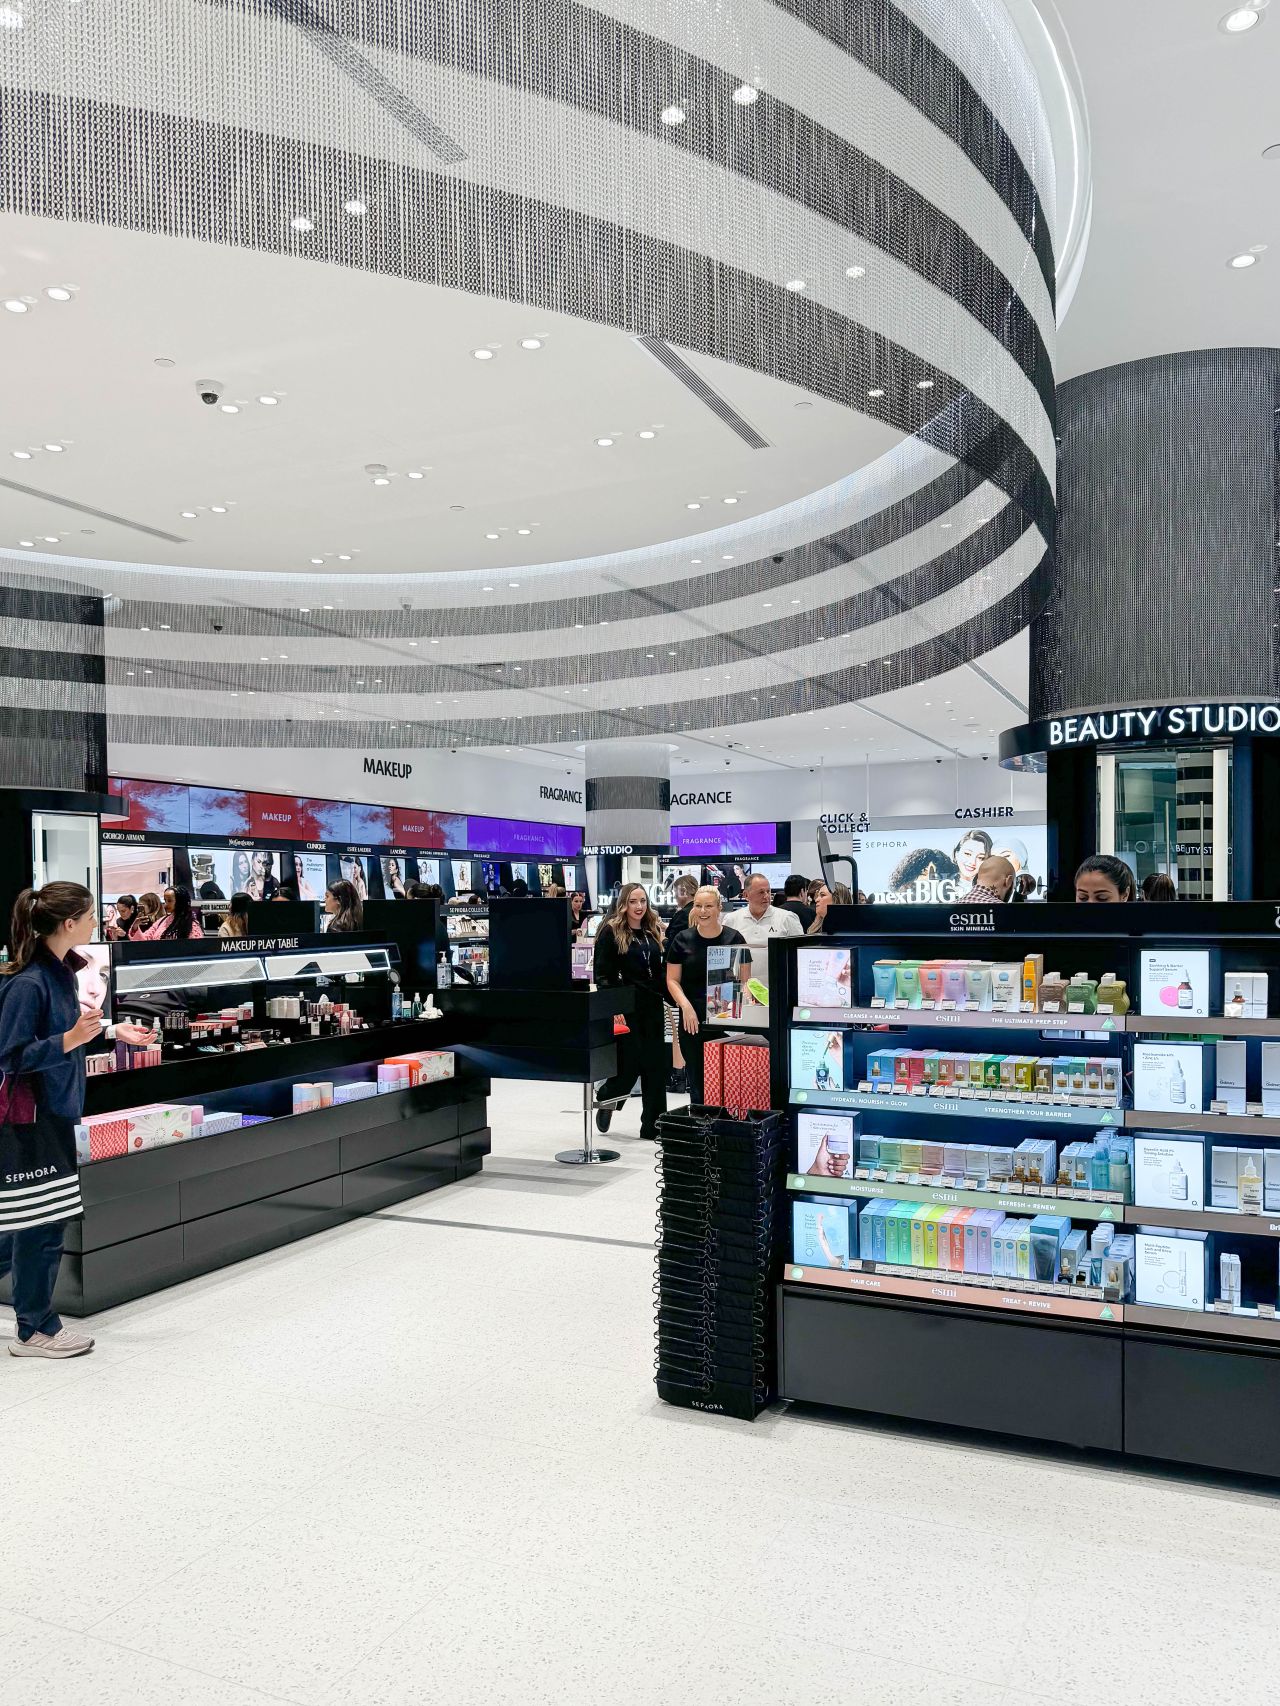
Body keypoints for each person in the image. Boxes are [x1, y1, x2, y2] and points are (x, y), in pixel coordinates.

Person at [0, 882, 156, 1356]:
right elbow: (11, 1057)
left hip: (54, 1113)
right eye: (90, 916)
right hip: (32, 1121)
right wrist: (70, 1040)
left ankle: (35, 1324)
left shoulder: (61, 972)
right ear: (69, 923)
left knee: (31, 1224)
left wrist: (109, 1029)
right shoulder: (28, 983)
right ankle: (35, 1330)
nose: (96, 923)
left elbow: (64, 1032)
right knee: (42, 1225)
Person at [592, 883, 668, 1141]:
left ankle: (654, 1126)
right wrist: (614, 1008)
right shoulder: (610, 932)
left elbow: (658, 971)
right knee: (629, 1064)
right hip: (625, 1007)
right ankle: (607, 1097)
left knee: (655, 1066)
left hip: (652, 1005)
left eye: (643, 901)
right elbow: (603, 975)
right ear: (623, 903)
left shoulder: (651, 930)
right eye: (633, 901)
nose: (639, 906)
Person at [665, 887, 746, 1103]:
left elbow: (745, 981)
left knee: (727, 1081)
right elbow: (672, 980)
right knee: (698, 1081)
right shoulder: (682, 939)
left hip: (725, 1020)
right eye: (698, 906)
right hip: (691, 1020)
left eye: (709, 906)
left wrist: (736, 1009)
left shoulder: (734, 937)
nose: (703, 911)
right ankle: (700, 1120)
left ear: (719, 908)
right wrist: (685, 1006)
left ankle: (724, 1120)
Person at [665, 874, 699, 939]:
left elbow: (673, 942)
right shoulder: (699, 910)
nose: (674, 896)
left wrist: (662, 939)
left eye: (675, 892)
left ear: (683, 891)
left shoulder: (683, 914)